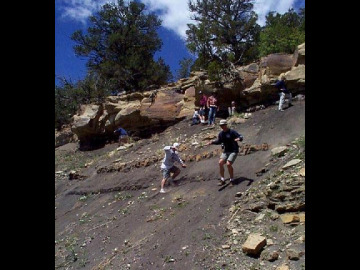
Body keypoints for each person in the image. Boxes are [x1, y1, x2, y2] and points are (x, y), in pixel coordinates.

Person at [205, 119, 244, 186]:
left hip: (233, 150)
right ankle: (222, 179)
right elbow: (219, 141)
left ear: (226, 125)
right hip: (226, 151)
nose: (222, 127)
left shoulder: (232, 132)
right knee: (220, 163)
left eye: (223, 125)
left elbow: (240, 136)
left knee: (228, 164)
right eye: (221, 125)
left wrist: (238, 139)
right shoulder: (221, 134)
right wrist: (211, 142)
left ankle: (232, 179)